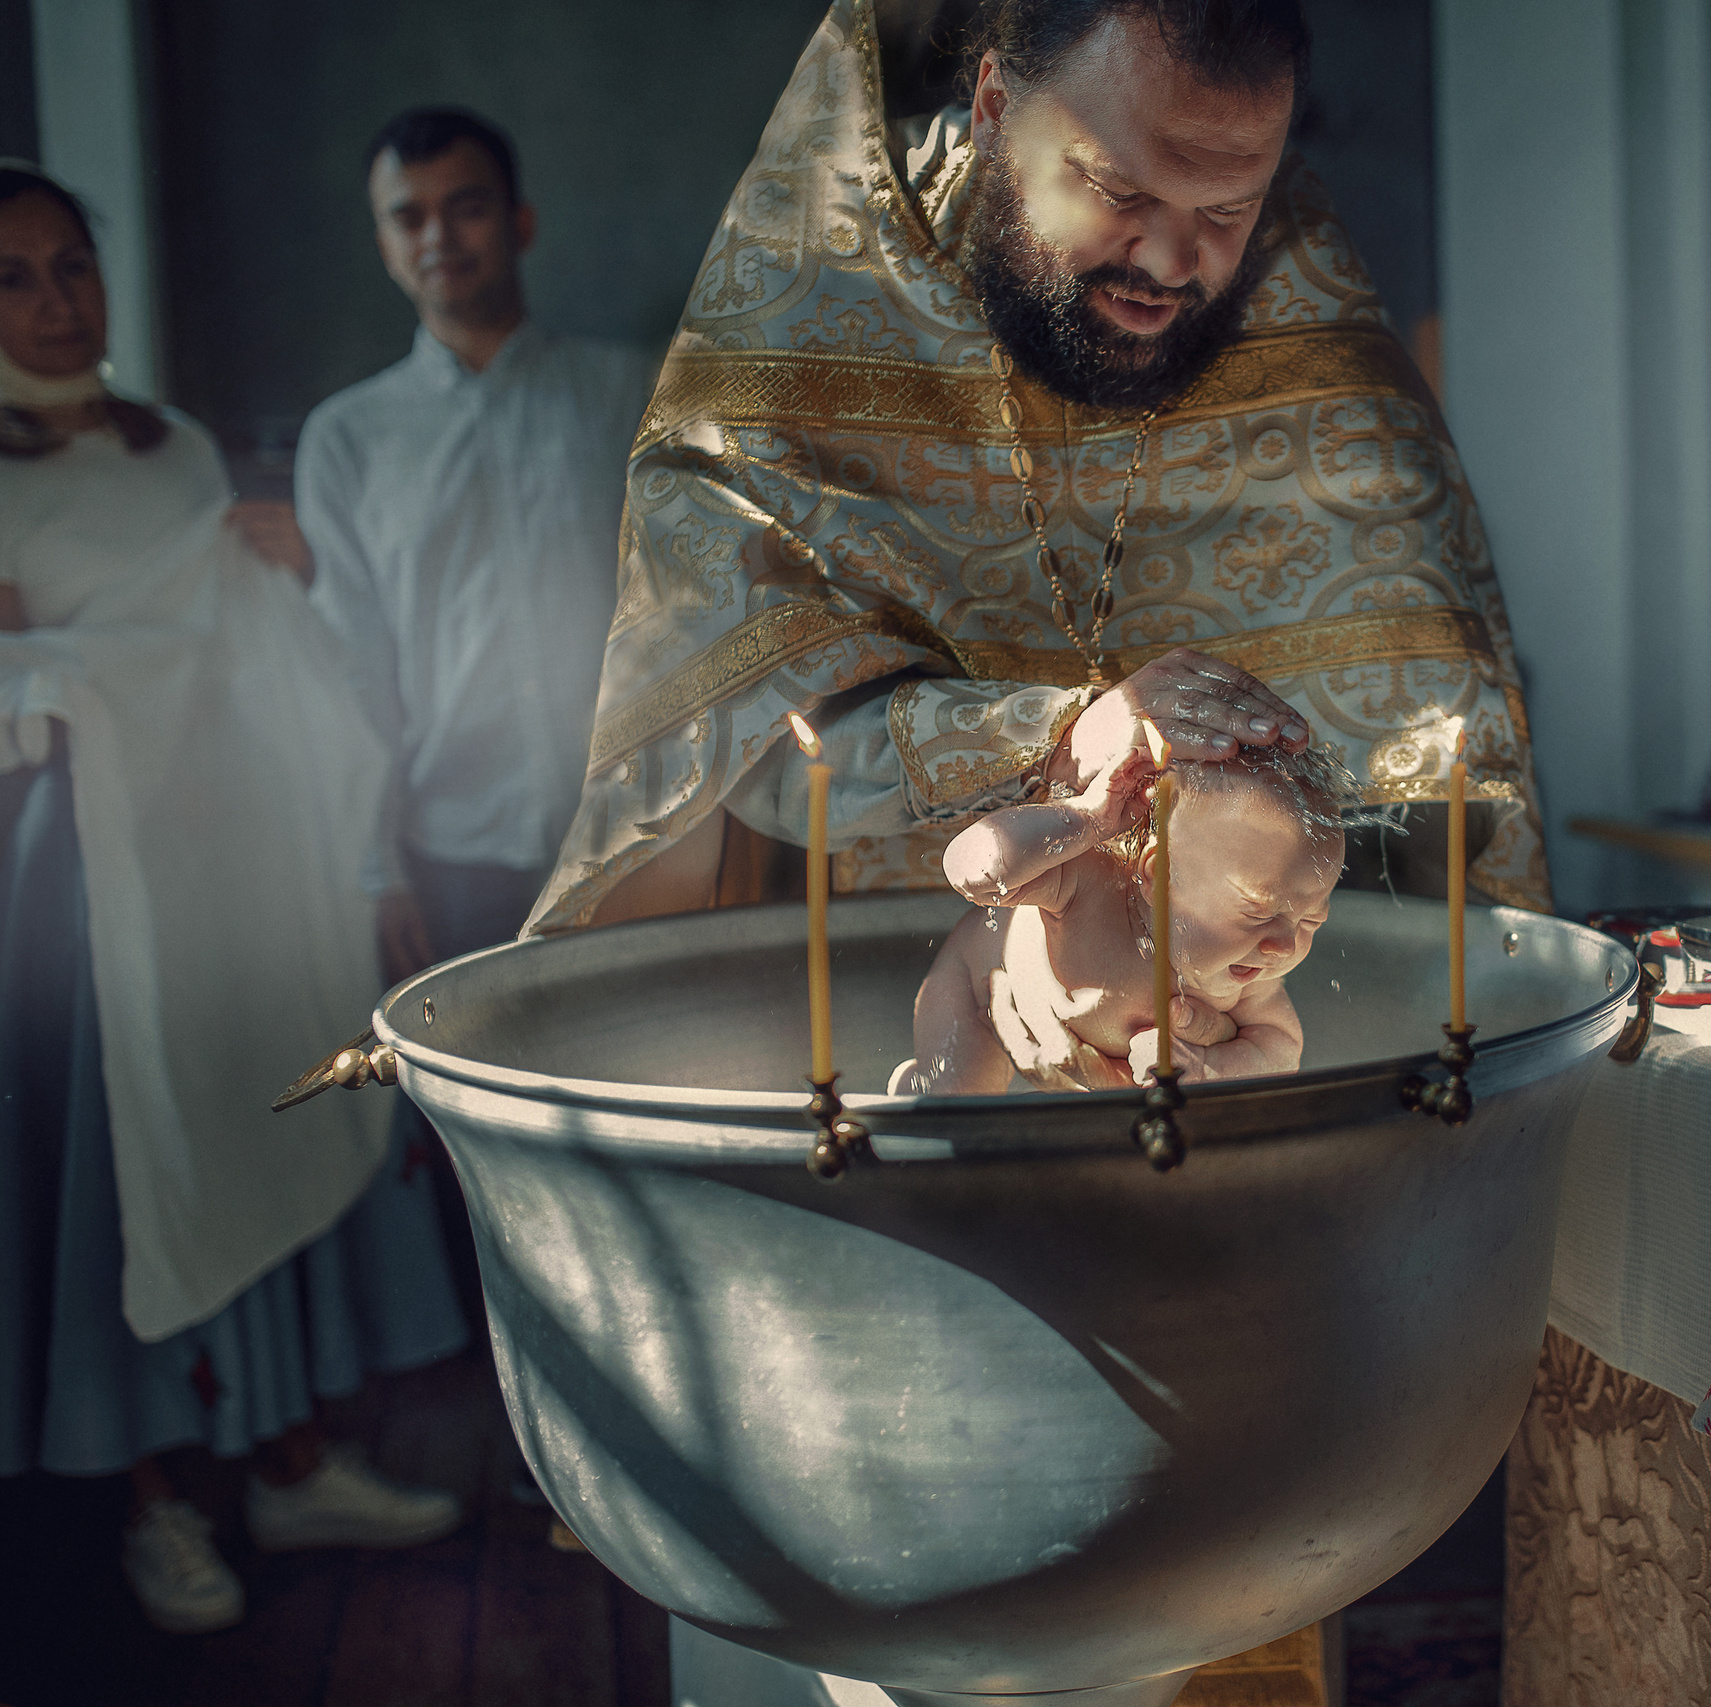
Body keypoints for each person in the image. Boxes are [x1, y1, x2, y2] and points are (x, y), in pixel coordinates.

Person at [523, 0, 1549, 1052]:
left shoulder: (1307, 318)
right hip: (859, 1032)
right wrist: (1057, 735)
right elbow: (719, 736)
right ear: (994, 107)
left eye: (1228, 210)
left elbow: (1430, 786)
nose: (1168, 261)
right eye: (1117, 191)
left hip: (1224, 1035)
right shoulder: (816, 288)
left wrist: (1220, 949)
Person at [0, 164, 465, 1636]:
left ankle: (286, 1456)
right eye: (13, 277)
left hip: (233, 856)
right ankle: (150, 1497)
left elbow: (254, 661)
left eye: (73, 265)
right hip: (85, 875)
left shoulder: (177, 444)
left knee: (249, 1116)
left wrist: (281, 567)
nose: (58, 301)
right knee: (130, 1175)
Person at [297, 108, 656, 1326]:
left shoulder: (629, 394)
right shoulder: (347, 441)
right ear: (384, 243)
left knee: (632, 1123)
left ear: (519, 222)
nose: (438, 235)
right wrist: (370, 857)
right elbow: (351, 664)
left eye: (464, 205)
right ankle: (519, 1423)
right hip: (448, 856)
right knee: (475, 1149)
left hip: (618, 840)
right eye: (410, 215)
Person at [902, 740, 1349, 1093]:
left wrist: (1210, 1067)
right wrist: (1084, 821)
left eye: (1311, 921)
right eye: (1256, 912)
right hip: (977, 990)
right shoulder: (1090, 884)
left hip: (1081, 1053)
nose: (1285, 946)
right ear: (1163, 876)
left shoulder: (1249, 975)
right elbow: (971, 871)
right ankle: (914, 1092)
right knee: (956, 1103)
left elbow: (1281, 1051)